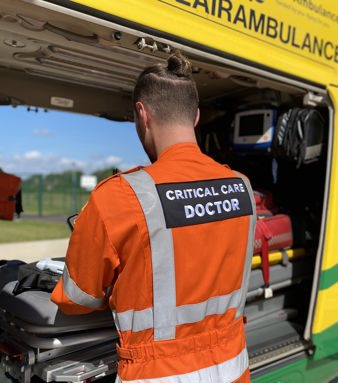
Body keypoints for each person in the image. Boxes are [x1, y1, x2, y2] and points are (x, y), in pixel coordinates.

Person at [51, 53, 256, 383]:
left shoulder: (120, 196)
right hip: (232, 367)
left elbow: (78, 298)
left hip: (158, 373)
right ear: (196, 116)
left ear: (142, 115)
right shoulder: (242, 188)